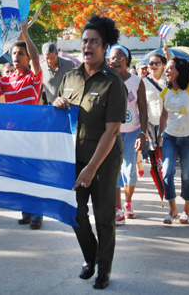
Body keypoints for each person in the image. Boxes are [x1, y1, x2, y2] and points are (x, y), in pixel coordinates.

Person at [53, 15, 127, 290]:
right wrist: (58, 102)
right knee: (74, 212)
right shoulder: (69, 77)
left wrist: (92, 168)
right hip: (73, 157)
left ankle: (104, 270)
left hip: (104, 160)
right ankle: (91, 256)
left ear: (105, 47)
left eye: (94, 42)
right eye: (84, 41)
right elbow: (60, 116)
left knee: (104, 215)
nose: (88, 46)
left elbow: (112, 131)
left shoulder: (113, 82)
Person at [0, 20, 45, 229]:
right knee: (18, 174)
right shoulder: (6, 80)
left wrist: (25, 33)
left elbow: (35, 58)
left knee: (33, 174)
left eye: (20, 54)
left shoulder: (34, 77)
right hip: (12, 135)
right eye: (14, 53)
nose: (16, 56)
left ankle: (37, 214)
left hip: (31, 133)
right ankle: (26, 211)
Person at [159, 56, 189, 224]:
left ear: (179, 71)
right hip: (170, 136)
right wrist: (159, 136)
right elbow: (164, 114)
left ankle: (187, 208)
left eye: (170, 68)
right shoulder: (165, 91)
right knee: (167, 172)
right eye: (166, 68)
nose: (166, 71)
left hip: (188, 138)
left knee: (186, 174)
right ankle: (172, 209)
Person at [108, 45, 147, 224]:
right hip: (113, 134)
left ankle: (128, 202)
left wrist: (143, 134)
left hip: (132, 132)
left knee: (130, 171)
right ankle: (118, 209)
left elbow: (143, 110)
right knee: (115, 171)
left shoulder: (137, 82)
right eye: (112, 58)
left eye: (119, 57)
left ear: (127, 60)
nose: (115, 61)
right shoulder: (106, 80)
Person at [143, 52, 167, 166]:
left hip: (168, 124)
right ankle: (159, 181)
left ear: (163, 65)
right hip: (152, 124)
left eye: (157, 63)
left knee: (167, 156)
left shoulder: (169, 80)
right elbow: (142, 106)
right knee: (155, 159)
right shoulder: (143, 82)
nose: (154, 66)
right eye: (151, 63)